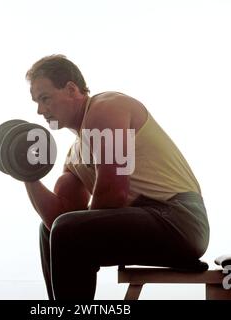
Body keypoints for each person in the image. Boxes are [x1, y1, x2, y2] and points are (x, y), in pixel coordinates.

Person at [24, 54, 210, 300]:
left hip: (180, 220)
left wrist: (75, 229)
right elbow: (56, 219)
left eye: (45, 98)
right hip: (146, 221)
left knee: (69, 230)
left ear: (71, 89)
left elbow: (114, 193)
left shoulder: (106, 109)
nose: (40, 110)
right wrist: (26, 175)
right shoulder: (74, 155)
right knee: (50, 231)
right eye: (36, 102)